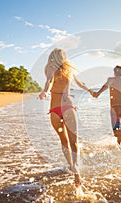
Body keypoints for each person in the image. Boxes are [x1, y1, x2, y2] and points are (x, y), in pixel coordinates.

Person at [38, 48, 92, 188]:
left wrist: (45, 92)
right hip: (68, 107)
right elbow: (80, 84)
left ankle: (71, 165)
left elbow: (49, 81)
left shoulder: (49, 68)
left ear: (52, 57)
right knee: (74, 141)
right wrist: (91, 91)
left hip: (55, 109)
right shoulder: (69, 70)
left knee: (64, 141)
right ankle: (76, 168)